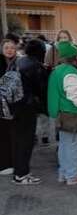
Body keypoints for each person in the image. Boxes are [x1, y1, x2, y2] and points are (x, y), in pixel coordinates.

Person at [48, 41, 77, 185]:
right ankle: (73, 176)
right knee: (75, 145)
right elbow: (76, 95)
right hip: (73, 114)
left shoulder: (58, 70)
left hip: (62, 113)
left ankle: (64, 173)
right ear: (74, 56)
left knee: (65, 145)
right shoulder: (70, 72)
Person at [9, 39, 48, 184]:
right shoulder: (36, 66)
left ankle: (18, 172)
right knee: (26, 141)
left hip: (13, 106)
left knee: (18, 140)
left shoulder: (17, 61)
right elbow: (42, 90)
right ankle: (22, 174)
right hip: (27, 108)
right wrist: (47, 110)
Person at [0, 39, 18, 177]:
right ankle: (4, 164)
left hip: (14, 104)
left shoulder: (18, 63)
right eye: (6, 47)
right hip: (1, 104)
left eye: (12, 47)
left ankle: (13, 161)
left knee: (13, 134)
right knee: (3, 135)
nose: (9, 50)